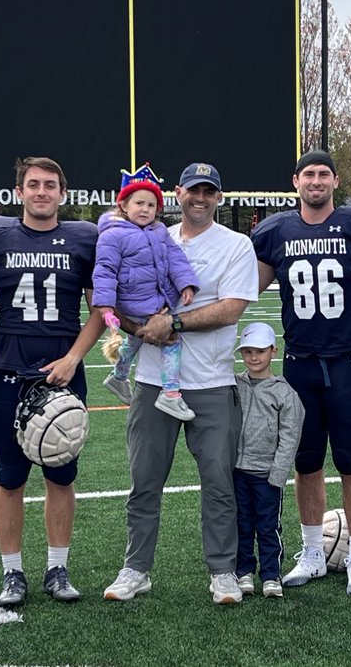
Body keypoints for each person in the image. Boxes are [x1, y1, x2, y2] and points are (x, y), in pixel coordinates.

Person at [251, 149, 351, 596]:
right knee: (306, 463)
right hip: (300, 364)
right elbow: (247, 288)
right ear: (295, 181)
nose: (316, 181)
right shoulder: (276, 231)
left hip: (350, 363)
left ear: (336, 182)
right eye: (308, 175)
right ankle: (313, 553)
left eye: (323, 174)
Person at [102, 161, 258, 605]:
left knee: (218, 482)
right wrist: (137, 329)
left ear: (219, 198)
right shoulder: (152, 234)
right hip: (153, 381)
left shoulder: (236, 245)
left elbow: (229, 309)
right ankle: (136, 567)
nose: (200, 198)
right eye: (193, 190)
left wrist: (173, 322)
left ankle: (223, 571)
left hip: (210, 381)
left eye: (209, 191)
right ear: (178, 193)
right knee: (144, 481)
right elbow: (119, 294)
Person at [0, 157, 105, 607]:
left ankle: (58, 567)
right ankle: (12, 572)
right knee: (10, 478)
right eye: (33, 184)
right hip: (9, 372)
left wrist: (74, 358)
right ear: (19, 191)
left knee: (61, 475)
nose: (41, 191)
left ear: (62, 193)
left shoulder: (83, 237)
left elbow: (100, 307)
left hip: (63, 373)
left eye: (50, 185)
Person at [94, 164, 198, 420]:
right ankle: (171, 393)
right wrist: (105, 307)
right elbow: (104, 271)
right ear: (123, 206)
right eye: (139, 203)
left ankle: (118, 376)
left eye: (151, 205)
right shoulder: (112, 235)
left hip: (155, 298)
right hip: (135, 301)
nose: (145, 209)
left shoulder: (159, 231)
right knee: (172, 340)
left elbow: (175, 258)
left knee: (136, 340)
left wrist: (186, 283)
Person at [233, 322, 305, 599]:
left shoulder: (284, 393)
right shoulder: (235, 385)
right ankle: (244, 571)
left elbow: (290, 436)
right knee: (240, 523)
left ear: (273, 351)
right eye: (248, 351)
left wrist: (278, 473)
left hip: (266, 475)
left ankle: (271, 574)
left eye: (260, 351)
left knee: (268, 525)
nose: (254, 357)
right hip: (237, 470)